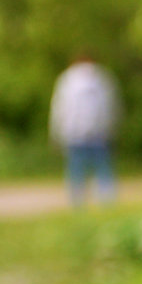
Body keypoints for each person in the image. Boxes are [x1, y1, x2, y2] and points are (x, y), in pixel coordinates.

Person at [49, 54, 121, 206]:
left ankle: (77, 202)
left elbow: (59, 108)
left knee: (76, 170)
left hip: (74, 132)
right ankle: (107, 202)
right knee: (103, 169)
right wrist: (112, 129)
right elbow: (112, 107)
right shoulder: (103, 78)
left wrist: (56, 132)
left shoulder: (67, 79)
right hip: (99, 132)